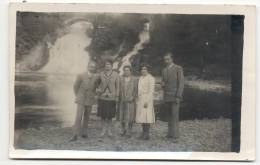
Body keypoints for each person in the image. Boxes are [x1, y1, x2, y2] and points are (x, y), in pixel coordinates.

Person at [70, 62, 98, 141]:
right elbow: (75, 86)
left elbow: (96, 86)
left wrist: (94, 93)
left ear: (95, 68)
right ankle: (75, 134)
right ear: (87, 67)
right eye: (90, 66)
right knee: (79, 117)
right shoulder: (81, 75)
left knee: (87, 116)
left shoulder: (96, 77)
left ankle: (84, 133)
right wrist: (78, 95)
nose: (92, 68)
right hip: (81, 99)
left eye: (93, 67)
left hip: (90, 99)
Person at [162, 52, 184, 142]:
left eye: (168, 59)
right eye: (165, 59)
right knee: (169, 116)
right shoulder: (164, 70)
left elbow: (181, 83)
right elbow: (163, 82)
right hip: (167, 96)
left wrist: (178, 96)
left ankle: (175, 135)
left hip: (175, 96)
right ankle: (169, 133)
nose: (166, 61)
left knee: (175, 116)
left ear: (172, 59)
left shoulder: (178, 68)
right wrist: (162, 85)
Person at [96, 59, 120, 138]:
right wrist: (99, 91)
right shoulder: (101, 74)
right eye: (106, 64)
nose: (107, 66)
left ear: (112, 66)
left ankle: (109, 131)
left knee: (110, 116)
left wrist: (116, 96)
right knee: (102, 115)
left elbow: (118, 87)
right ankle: (103, 130)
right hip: (102, 97)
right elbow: (97, 84)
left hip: (111, 98)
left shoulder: (116, 74)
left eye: (109, 64)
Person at [136, 64, 155, 140]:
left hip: (147, 99)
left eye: (145, 69)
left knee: (147, 116)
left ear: (148, 70)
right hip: (141, 99)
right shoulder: (140, 78)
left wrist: (147, 101)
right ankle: (143, 133)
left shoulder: (151, 78)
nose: (143, 70)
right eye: (142, 69)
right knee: (142, 116)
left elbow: (151, 91)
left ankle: (147, 134)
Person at [118, 65, 137, 137]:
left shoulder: (134, 79)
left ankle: (129, 130)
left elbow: (135, 90)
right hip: (122, 100)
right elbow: (119, 89)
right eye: (125, 70)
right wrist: (121, 97)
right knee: (122, 116)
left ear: (130, 71)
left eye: (128, 70)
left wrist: (132, 97)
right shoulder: (121, 79)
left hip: (130, 100)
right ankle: (123, 130)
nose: (126, 72)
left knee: (130, 116)